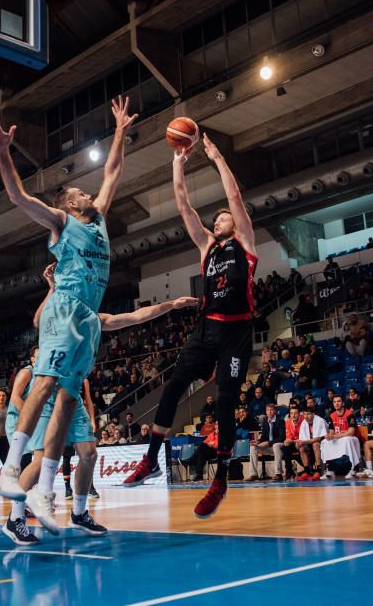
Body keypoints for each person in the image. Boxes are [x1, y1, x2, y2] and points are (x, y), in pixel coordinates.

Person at [0, 97, 137, 513]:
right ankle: (11, 467)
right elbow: (17, 196)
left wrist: (120, 129)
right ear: (70, 203)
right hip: (64, 308)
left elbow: (113, 171)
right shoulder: (61, 221)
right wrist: (2, 152)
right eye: (79, 192)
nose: (87, 193)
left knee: (69, 399)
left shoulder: (100, 218)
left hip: (87, 317)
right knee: (47, 382)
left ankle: (47, 493)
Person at [7, 262, 196, 541]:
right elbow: (41, 317)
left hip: (72, 395)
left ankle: (80, 513)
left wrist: (171, 305)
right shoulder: (60, 313)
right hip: (48, 396)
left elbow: (136, 316)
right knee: (39, 461)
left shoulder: (96, 318)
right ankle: (15, 519)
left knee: (89, 453)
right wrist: (52, 287)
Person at [122, 132, 258, 520]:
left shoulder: (245, 244)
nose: (219, 219)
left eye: (224, 217)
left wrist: (216, 158)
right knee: (175, 384)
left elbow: (234, 197)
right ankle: (150, 460)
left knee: (228, 402)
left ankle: (220, 480)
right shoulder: (207, 248)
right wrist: (177, 164)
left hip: (236, 332)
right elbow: (184, 208)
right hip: (206, 329)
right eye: (216, 219)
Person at [249, 403, 285, 480]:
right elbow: (264, 437)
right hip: (269, 447)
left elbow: (282, 438)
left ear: (275, 411)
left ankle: (278, 474)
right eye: (267, 410)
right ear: (266, 412)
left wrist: (269, 443)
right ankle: (254, 474)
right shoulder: (265, 421)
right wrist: (258, 441)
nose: (269, 412)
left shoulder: (280, 421)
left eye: (271, 410)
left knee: (276, 446)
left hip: (280, 446)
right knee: (253, 448)